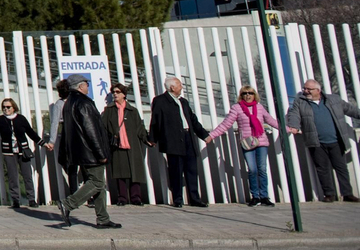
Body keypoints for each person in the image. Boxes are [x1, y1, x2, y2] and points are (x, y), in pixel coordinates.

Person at [55, 76, 120, 229]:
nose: (87, 87)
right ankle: (67, 204)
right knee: (97, 182)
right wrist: (101, 153)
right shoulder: (83, 102)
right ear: (80, 86)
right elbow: (91, 131)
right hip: (90, 151)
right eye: (86, 84)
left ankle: (103, 218)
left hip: (81, 152)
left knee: (98, 184)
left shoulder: (69, 102)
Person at [285, 78, 360, 203]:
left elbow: (350, 110)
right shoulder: (300, 102)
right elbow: (294, 114)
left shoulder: (334, 100)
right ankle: (329, 194)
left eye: (309, 89)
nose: (306, 91)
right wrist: (294, 126)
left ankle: (347, 194)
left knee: (341, 168)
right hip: (316, 142)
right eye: (305, 88)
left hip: (336, 141)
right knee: (322, 169)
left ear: (318, 90)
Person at [205, 85, 279, 206]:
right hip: (247, 143)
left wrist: (287, 129)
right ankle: (255, 196)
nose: (248, 95)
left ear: (254, 94)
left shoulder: (259, 107)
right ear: (241, 96)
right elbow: (225, 124)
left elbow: (271, 121)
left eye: (250, 93)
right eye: (245, 93)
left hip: (261, 142)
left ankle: (264, 196)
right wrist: (211, 136)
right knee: (252, 169)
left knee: (262, 169)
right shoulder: (237, 108)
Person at [149, 75, 210, 207]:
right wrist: (153, 138)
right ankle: (178, 199)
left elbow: (193, 120)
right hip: (173, 140)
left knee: (192, 170)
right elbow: (155, 121)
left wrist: (204, 135)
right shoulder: (160, 101)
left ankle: (194, 198)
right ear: (172, 87)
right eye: (179, 85)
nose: (181, 87)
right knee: (176, 171)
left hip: (188, 138)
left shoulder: (183, 102)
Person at [0, 97, 40, 208]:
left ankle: (31, 199)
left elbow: (31, 133)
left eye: (8, 107)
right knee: (12, 176)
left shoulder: (21, 119)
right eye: (4, 107)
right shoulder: (0, 120)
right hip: (8, 152)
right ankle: (15, 200)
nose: (6, 109)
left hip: (23, 151)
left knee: (27, 175)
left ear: (13, 107)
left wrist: (42, 143)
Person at [100, 83, 150, 206]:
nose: (115, 94)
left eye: (118, 92)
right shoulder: (109, 110)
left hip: (132, 145)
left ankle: (136, 197)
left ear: (124, 94)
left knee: (135, 171)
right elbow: (103, 128)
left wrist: (147, 139)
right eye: (114, 92)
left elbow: (140, 128)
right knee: (120, 173)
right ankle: (122, 198)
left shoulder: (132, 111)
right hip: (117, 146)